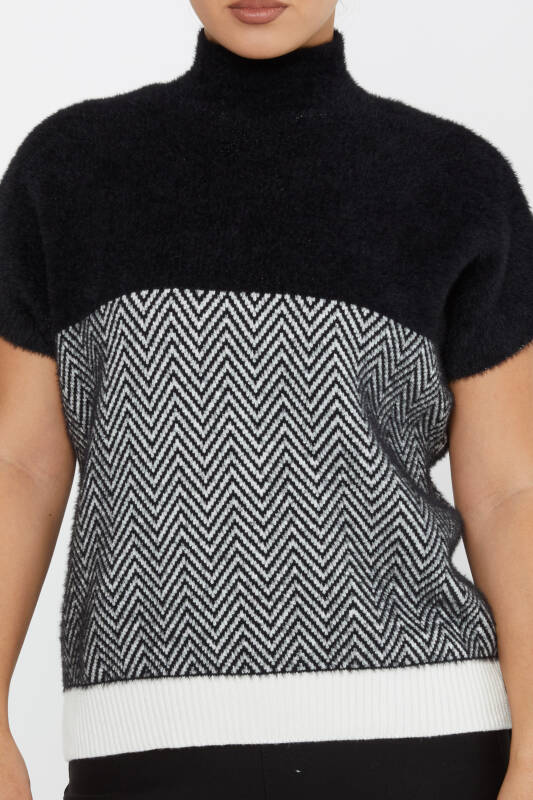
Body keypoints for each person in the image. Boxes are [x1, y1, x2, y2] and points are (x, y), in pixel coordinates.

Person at [1, 0, 533, 798]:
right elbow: (19, 468)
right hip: (139, 739)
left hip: (419, 734)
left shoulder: (455, 182)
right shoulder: (68, 171)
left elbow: (508, 494)